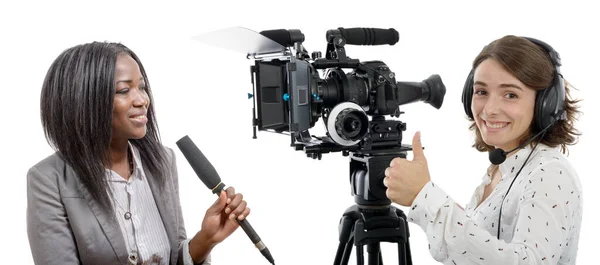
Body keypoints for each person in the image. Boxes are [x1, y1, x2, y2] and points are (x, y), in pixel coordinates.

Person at [26, 41, 250, 265]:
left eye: (142, 87)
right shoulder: (48, 180)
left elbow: (174, 258)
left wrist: (206, 239)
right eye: (124, 90)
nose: (143, 100)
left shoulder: (162, 161)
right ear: (83, 101)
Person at [383, 35, 583, 264]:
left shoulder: (549, 173)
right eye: (481, 92)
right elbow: (467, 253)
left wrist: (425, 196)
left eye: (510, 95)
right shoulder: (500, 170)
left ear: (545, 105)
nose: (489, 109)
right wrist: (434, 203)